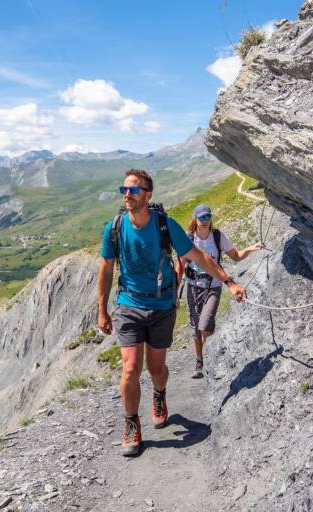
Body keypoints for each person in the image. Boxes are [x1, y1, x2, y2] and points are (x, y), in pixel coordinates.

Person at [98, 169, 247, 457]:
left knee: (156, 369)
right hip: (129, 305)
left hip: (162, 305)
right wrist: (102, 310)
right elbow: (105, 268)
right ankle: (131, 424)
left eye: (133, 190)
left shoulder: (166, 226)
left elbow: (199, 257)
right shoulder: (114, 228)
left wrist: (228, 282)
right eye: (124, 190)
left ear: (148, 194)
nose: (127, 195)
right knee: (130, 368)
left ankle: (159, 394)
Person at [182, 204, 263, 379]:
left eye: (207, 217)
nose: (205, 221)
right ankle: (199, 361)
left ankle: (210, 356)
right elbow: (180, 264)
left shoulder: (218, 237)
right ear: (195, 219)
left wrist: (249, 249)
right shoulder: (188, 238)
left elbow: (235, 256)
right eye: (201, 217)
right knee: (196, 328)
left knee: (205, 325)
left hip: (213, 286)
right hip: (193, 286)